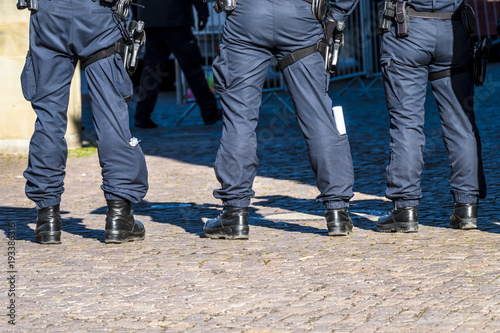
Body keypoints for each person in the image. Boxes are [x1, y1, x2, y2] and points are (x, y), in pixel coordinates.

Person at [204, 0, 359, 240]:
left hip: (248, 16)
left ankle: (234, 212)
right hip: (301, 16)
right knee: (319, 115)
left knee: (239, 118)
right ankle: (337, 211)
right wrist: (337, 13)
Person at [20, 0, 148, 244]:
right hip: (97, 14)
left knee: (48, 119)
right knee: (111, 116)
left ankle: (47, 218)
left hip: (49, 14)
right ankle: (119, 216)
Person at [376, 0, 486, 233]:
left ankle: (405, 208)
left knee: (407, 123)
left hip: (408, 31)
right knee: (461, 123)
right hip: (453, 31)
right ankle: (466, 206)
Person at [133, 0, 222, 128]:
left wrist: (137, 16)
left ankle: (142, 115)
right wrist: (203, 12)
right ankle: (210, 112)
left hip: (150, 19)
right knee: (192, 67)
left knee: (152, 70)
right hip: (176, 18)